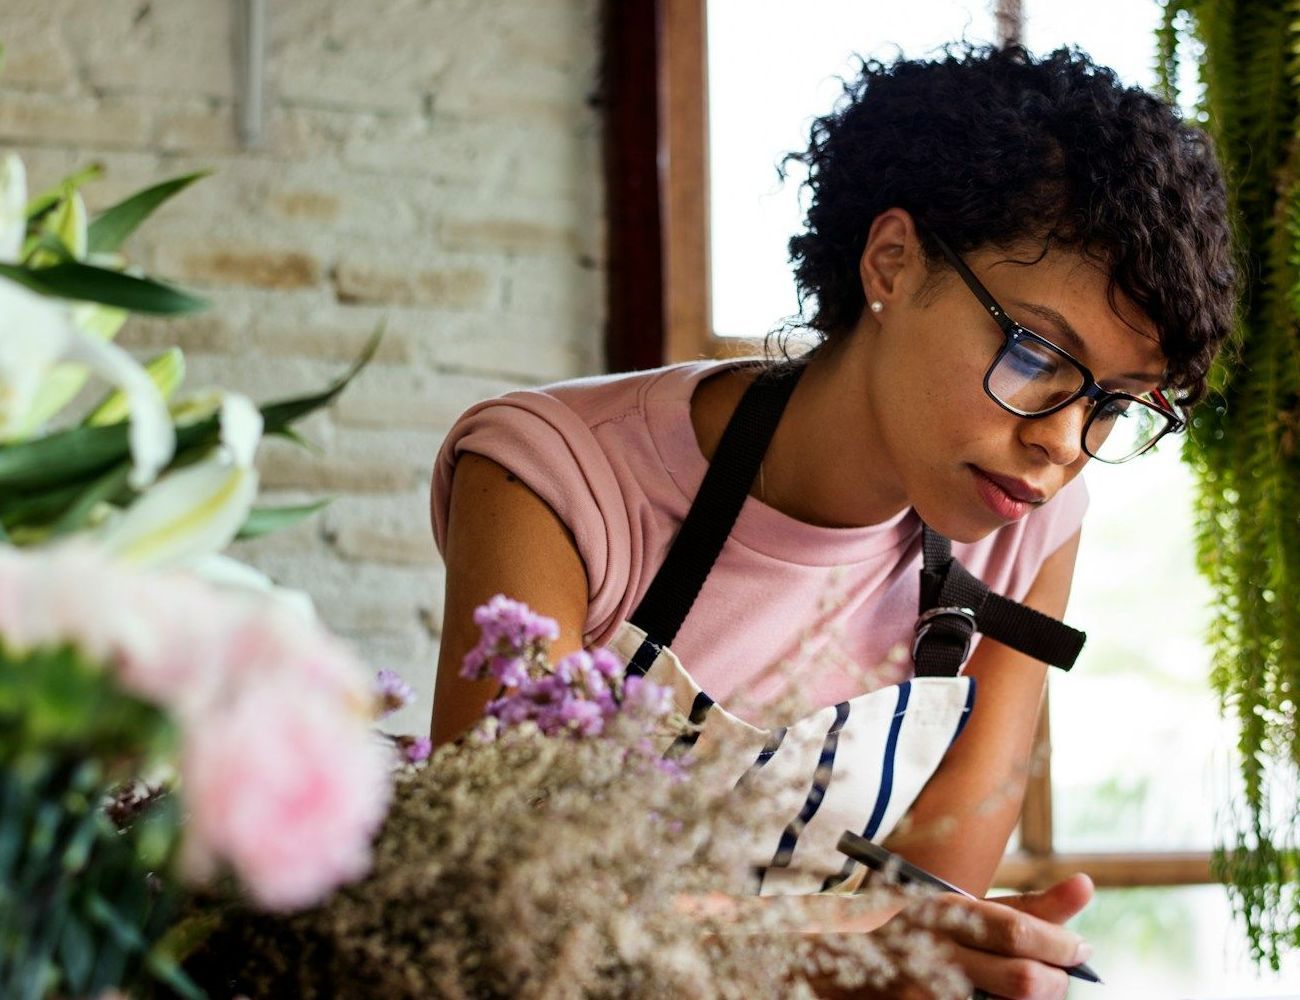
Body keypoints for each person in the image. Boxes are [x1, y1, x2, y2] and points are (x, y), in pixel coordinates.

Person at [429, 44, 1236, 1000]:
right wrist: (818, 947)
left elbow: (931, 912)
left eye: (1115, 403)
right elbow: (491, 899)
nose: (1063, 443)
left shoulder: (1026, 528)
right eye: (1033, 357)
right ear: (891, 261)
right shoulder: (556, 477)